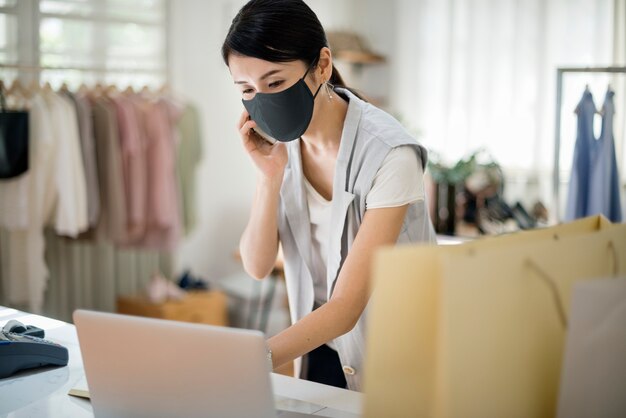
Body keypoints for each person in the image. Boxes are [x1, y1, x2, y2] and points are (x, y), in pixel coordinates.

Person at [221, 0, 436, 391]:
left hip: (393, 354)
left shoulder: (390, 154)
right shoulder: (282, 148)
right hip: (319, 346)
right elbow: (257, 265)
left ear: (322, 65)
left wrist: (252, 361)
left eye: (275, 83)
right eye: (248, 89)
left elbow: (346, 308)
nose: (263, 100)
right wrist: (269, 177)